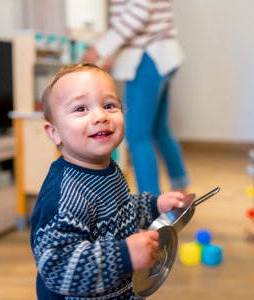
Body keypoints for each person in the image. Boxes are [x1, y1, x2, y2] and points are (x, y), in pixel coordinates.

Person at [30, 63, 185, 299]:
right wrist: (124, 255)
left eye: (109, 105)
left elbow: (119, 212)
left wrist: (155, 205)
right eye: (81, 108)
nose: (100, 116)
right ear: (54, 133)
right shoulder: (63, 195)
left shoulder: (108, 168)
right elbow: (56, 267)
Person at [82, 0, 189, 195]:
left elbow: (140, 12)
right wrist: (115, 57)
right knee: (159, 130)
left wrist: (98, 49)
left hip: (147, 58)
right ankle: (180, 190)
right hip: (161, 55)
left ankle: (150, 208)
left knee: (137, 135)